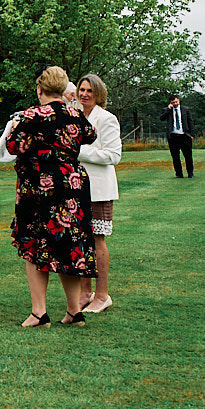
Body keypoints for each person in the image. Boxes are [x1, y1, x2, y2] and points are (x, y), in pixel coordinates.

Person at [4, 66, 98, 328]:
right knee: (70, 245)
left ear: (40, 89)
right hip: (71, 185)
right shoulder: (75, 113)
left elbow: (13, 146)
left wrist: (23, 133)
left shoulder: (30, 116)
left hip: (39, 186)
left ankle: (39, 313)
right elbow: (91, 135)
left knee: (34, 246)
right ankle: (74, 311)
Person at [77, 74, 122, 314]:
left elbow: (114, 155)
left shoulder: (106, 118)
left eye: (89, 91)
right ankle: (85, 293)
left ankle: (102, 295)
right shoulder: (75, 116)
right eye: (82, 89)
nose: (84, 94)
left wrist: (79, 151)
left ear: (98, 94)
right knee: (81, 240)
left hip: (99, 189)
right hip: (76, 188)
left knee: (97, 240)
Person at [161, 95, 195, 178]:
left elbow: (190, 122)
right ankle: (179, 174)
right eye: (173, 102)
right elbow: (162, 118)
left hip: (184, 136)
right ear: (170, 103)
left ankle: (190, 173)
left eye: (176, 102)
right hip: (173, 137)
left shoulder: (185, 110)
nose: (175, 104)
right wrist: (168, 110)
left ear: (179, 101)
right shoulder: (167, 110)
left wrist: (192, 134)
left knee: (188, 156)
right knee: (175, 157)